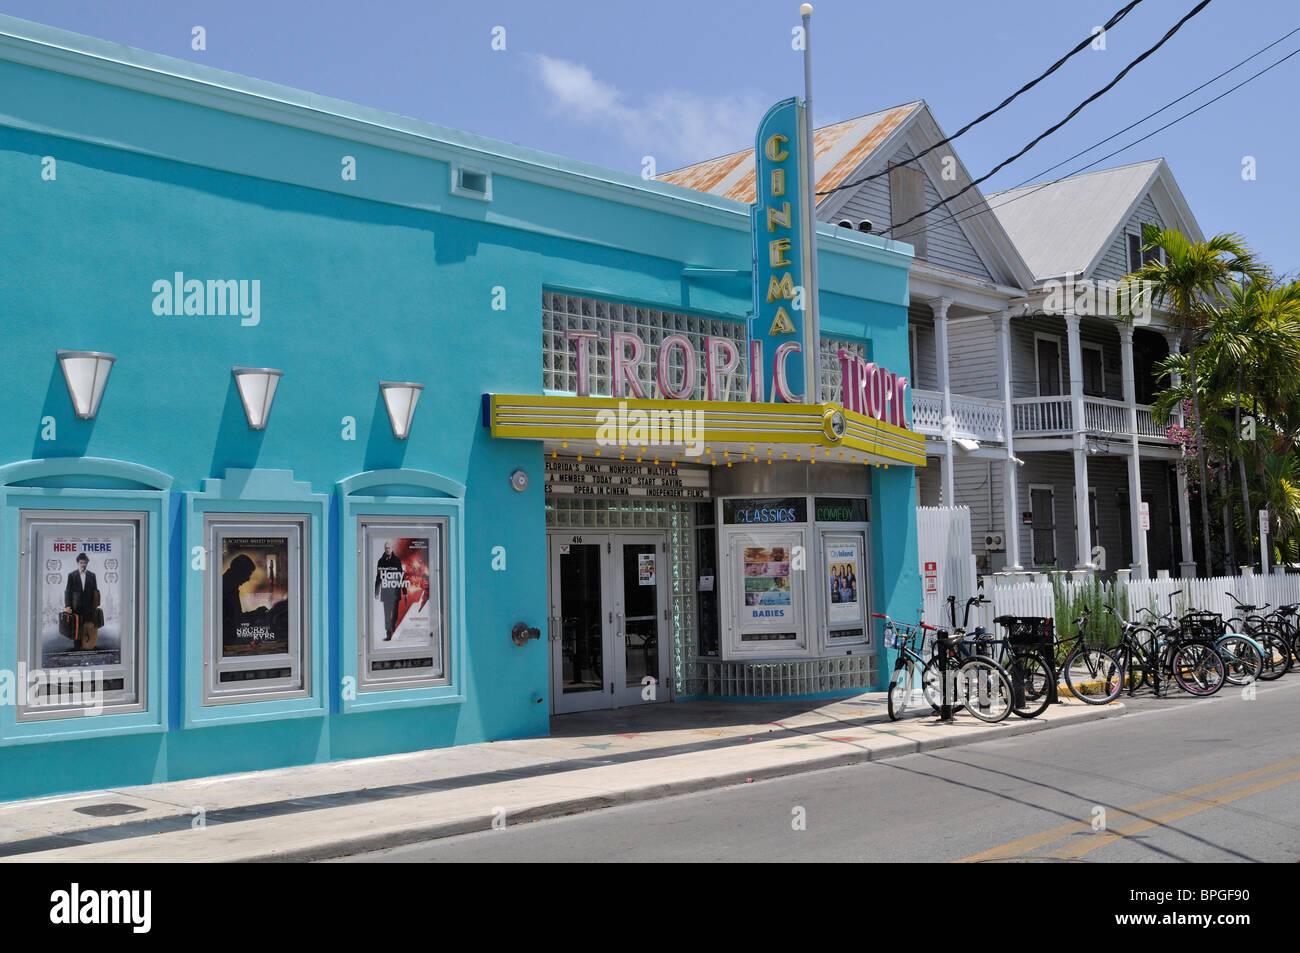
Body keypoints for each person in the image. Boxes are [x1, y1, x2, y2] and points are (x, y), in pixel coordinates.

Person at [374, 541, 406, 641]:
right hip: (386, 592)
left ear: (392, 549)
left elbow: (401, 576)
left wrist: (404, 591)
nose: (388, 549)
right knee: (387, 614)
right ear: (384, 549)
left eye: (389, 548)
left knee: (395, 613)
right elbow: (378, 577)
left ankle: (393, 624)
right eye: (386, 548)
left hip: (395, 591)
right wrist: (376, 592)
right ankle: (388, 634)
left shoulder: (397, 560)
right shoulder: (381, 561)